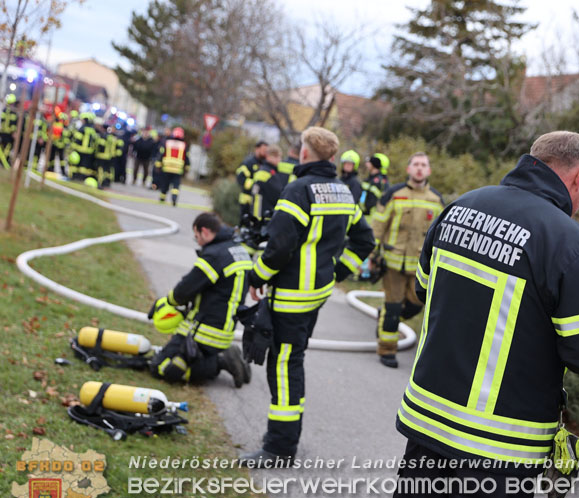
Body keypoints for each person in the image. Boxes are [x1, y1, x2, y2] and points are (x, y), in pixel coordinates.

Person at [390, 131, 579, 498]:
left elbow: (425, 289)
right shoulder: (570, 243)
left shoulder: (458, 207)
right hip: (498, 446)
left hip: (426, 422)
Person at [240, 126, 375, 466]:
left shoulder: (298, 190)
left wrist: (256, 275)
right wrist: (337, 272)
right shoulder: (343, 192)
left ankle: (280, 448)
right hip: (315, 294)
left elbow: (280, 247)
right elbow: (364, 240)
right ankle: (284, 438)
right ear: (332, 157)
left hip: (290, 296)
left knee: (284, 366)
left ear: (303, 153)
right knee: (292, 361)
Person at [149, 212, 251, 387]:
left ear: (204, 231)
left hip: (203, 332)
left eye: (196, 237)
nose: (197, 242)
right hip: (224, 330)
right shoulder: (238, 249)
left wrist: (166, 303)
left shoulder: (214, 256)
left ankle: (220, 361)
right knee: (177, 360)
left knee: (161, 367)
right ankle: (225, 358)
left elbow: (184, 291)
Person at [370, 151, 444, 368]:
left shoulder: (437, 200)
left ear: (429, 170)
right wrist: (373, 255)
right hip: (392, 263)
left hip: (419, 266)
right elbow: (378, 225)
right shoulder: (394, 194)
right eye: (416, 164)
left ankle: (383, 319)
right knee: (393, 308)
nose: (419, 168)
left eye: (424, 164)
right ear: (408, 169)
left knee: (415, 305)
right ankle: (387, 350)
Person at [251, 145, 289, 222]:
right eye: (277, 157)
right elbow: (277, 194)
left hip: (262, 214)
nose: (279, 160)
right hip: (263, 215)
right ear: (268, 157)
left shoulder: (267, 170)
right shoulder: (266, 173)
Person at [154, 127, 190, 206]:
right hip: (178, 170)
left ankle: (162, 197)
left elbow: (160, 155)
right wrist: (187, 169)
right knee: (176, 186)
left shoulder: (167, 143)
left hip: (166, 168)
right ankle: (174, 198)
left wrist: (158, 166)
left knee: (165, 184)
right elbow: (186, 158)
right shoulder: (184, 145)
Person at [236, 141, 269, 222]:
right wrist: (255, 185)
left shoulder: (265, 163)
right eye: (263, 150)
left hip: (259, 202)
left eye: (267, 150)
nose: (265, 152)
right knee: (245, 222)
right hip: (247, 200)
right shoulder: (248, 163)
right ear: (257, 149)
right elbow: (240, 178)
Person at [68, 112, 98, 183]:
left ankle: (75, 177)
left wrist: (72, 148)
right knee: (84, 167)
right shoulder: (93, 130)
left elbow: (76, 140)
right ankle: (82, 178)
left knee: (76, 166)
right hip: (89, 152)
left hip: (79, 150)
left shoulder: (82, 129)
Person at [0, 94, 19, 160]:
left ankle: (3, 160)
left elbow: (2, 121)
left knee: (3, 147)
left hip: (3, 132)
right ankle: (3, 160)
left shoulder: (5, 110)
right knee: (7, 147)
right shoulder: (13, 111)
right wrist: (14, 132)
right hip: (9, 133)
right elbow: (13, 123)